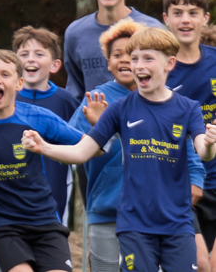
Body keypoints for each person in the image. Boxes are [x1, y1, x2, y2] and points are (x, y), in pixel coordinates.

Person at [24, 27, 216, 271]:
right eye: (134, 58)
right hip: (134, 224)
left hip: (178, 223)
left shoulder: (188, 108)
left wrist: (210, 142)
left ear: (169, 63)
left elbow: (203, 152)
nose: (137, 65)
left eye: (148, 58)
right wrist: (44, 147)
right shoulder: (119, 108)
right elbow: (81, 152)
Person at [69, 18, 205, 271]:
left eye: (131, 54)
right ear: (107, 63)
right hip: (111, 208)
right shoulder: (97, 99)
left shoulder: (173, 101)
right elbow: (76, 146)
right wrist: (97, 127)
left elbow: (188, 144)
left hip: (166, 210)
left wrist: (196, 177)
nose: (125, 60)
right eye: (117, 54)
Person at [0, 50, 82, 272]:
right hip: (2, 226)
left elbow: (88, 147)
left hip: (45, 221)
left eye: (5, 74)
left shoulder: (37, 117)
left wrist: (50, 148)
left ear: (19, 83)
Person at [161, 0, 216, 272]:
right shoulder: (158, 69)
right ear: (165, 18)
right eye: (178, 12)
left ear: (205, 19)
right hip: (179, 184)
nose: (185, 20)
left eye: (193, 13)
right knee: (200, 265)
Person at [64, 0, 162, 100]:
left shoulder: (152, 29)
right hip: (94, 120)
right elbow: (75, 92)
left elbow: (167, 83)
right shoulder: (75, 33)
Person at [13, 27, 79, 225]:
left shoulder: (66, 101)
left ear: (55, 65)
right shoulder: (6, 99)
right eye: (24, 54)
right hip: (12, 190)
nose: (31, 59)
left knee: (53, 244)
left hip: (55, 187)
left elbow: (81, 144)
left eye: (39, 54)